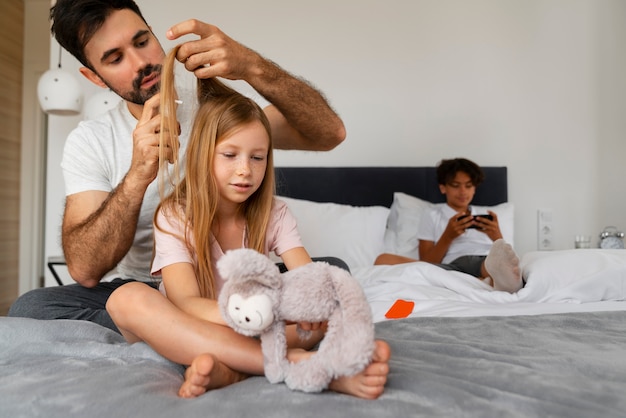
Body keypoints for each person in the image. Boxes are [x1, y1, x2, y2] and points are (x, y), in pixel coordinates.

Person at [8, 0, 347, 331]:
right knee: (31, 307)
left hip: (232, 278)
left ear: (154, 34)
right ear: (94, 77)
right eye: (115, 58)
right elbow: (85, 270)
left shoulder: (220, 111)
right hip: (147, 291)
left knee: (334, 272)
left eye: (142, 41)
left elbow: (330, 133)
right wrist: (138, 175)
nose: (141, 61)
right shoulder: (91, 140)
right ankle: (206, 325)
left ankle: (171, 333)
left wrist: (252, 66)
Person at [105, 46, 390, 399]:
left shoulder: (275, 214)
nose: (245, 170)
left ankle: (233, 369)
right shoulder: (175, 214)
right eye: (230, 155)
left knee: (329, 310)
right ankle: (299, 366)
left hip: (254, 328)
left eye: (257, 158)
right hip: (194, 325)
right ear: (202, 156)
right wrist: (253, 316)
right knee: (126, 299)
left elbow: (307, 278)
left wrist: (311, 305)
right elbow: (186, 303)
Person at [375, 158, 522, 293]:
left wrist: (496, 235)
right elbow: (427, 261)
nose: (463, 191)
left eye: (468, 185)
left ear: (474, 188)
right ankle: (480, 282)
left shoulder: (486, 215)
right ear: (443, 188)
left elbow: (506, 253)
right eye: (456, 185)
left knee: (496, 263)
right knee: (383, 260)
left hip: (483, 260)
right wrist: (448, 236)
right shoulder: (432, 215)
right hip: (450, 266)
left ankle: (486, 278)